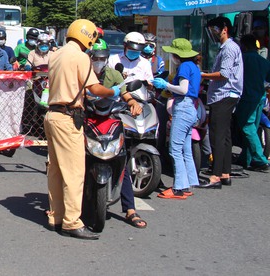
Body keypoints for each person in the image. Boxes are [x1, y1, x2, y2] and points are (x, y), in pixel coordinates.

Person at [45, 19, 140, 240]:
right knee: (74, 173)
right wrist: (113, 91)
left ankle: (56, 216)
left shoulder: (56, 54)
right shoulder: (80, 57)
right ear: (86, 36)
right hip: (68, 117)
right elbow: (94, 88)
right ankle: (71, 222)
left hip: (52, 115)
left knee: (56, 171)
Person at [89, 39, 146, 226]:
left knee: (121, 159)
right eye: (95, 58)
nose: (98, 61)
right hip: (88, 119)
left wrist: (132, 103)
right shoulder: (84, 72)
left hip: (110, 120)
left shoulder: (114, 74)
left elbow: (124, 92)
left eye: (102, 58)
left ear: (107, 58)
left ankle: (130, 209)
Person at [153, 39, 202, 199]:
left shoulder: (184, 67)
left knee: (175, 149)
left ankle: (179, 188)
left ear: (177, 54)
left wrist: (165, 85)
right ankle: (188, 183)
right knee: (186, 149)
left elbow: (183, 89)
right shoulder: (194, 66)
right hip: (191, 108)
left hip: (183, 107)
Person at [199, 16, 243, 189]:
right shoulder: (226, 48)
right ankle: (225, 173)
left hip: (223, 95)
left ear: (224, 28)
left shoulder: (229, 49)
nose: (213, 33)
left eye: (215, 30)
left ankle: (216, 175)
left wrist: (203, 75)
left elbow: (223, 74)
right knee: (225, 135)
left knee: (217, 135)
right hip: (224, 95)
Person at [233, 34, 270, 172]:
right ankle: (246, 158)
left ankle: (260, 159)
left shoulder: (243, 59)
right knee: (252, 127)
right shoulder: (263, 61)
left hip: (248, 97)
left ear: (244, 45)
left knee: (247, 127)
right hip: (260, 96)